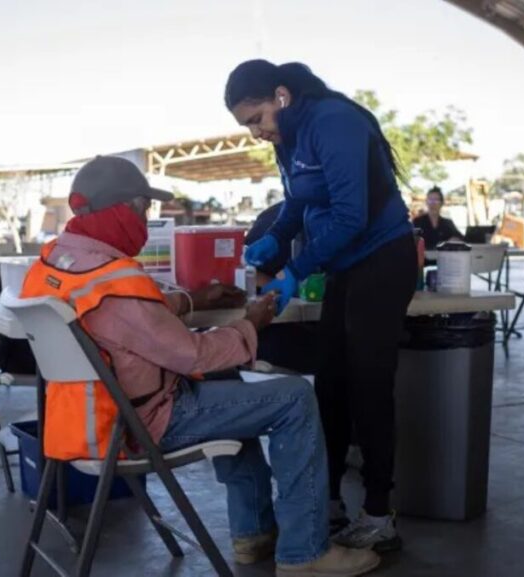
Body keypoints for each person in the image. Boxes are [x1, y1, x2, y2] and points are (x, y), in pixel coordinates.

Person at [20, 156, 379, 577]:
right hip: (142, 423)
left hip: (87, 418)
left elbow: (123, 320)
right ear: (120, 209)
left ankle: (254, 533)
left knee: (228, 383)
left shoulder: (56, 263)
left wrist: (194, 300)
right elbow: (192, 355)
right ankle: (305, 553)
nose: (146, 218)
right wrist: (251, 324)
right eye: (142, 208)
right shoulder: (114, 278)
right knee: (294, 397)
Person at [227, 60, 417, 552]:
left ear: (282, 96)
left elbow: (352, 215)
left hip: (382, 257)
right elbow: (296, 202)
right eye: (246, 124)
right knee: (330, 384)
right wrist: (274, 240)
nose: (255, 132)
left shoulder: (335, 122)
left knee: (369, 384)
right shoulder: (286, 140)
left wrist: (296, 271)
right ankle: (329, 504)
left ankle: (379, 514)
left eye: (256, 118)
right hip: (345, 265)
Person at [246, 201, 320, 375]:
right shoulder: (273, 217)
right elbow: (248, 270)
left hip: (319, 325)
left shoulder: (343, 211)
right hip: (280, 329)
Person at [412, 186, 463, 250]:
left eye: (436, 200)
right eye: (430, 200)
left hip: (445, 258)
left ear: (441, 203)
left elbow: (462, 239)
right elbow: (412, 243)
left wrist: (456, 240)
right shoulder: (417, 222)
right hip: (423, 258)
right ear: (426, 202)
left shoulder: (448, 223)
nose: (433, 203)